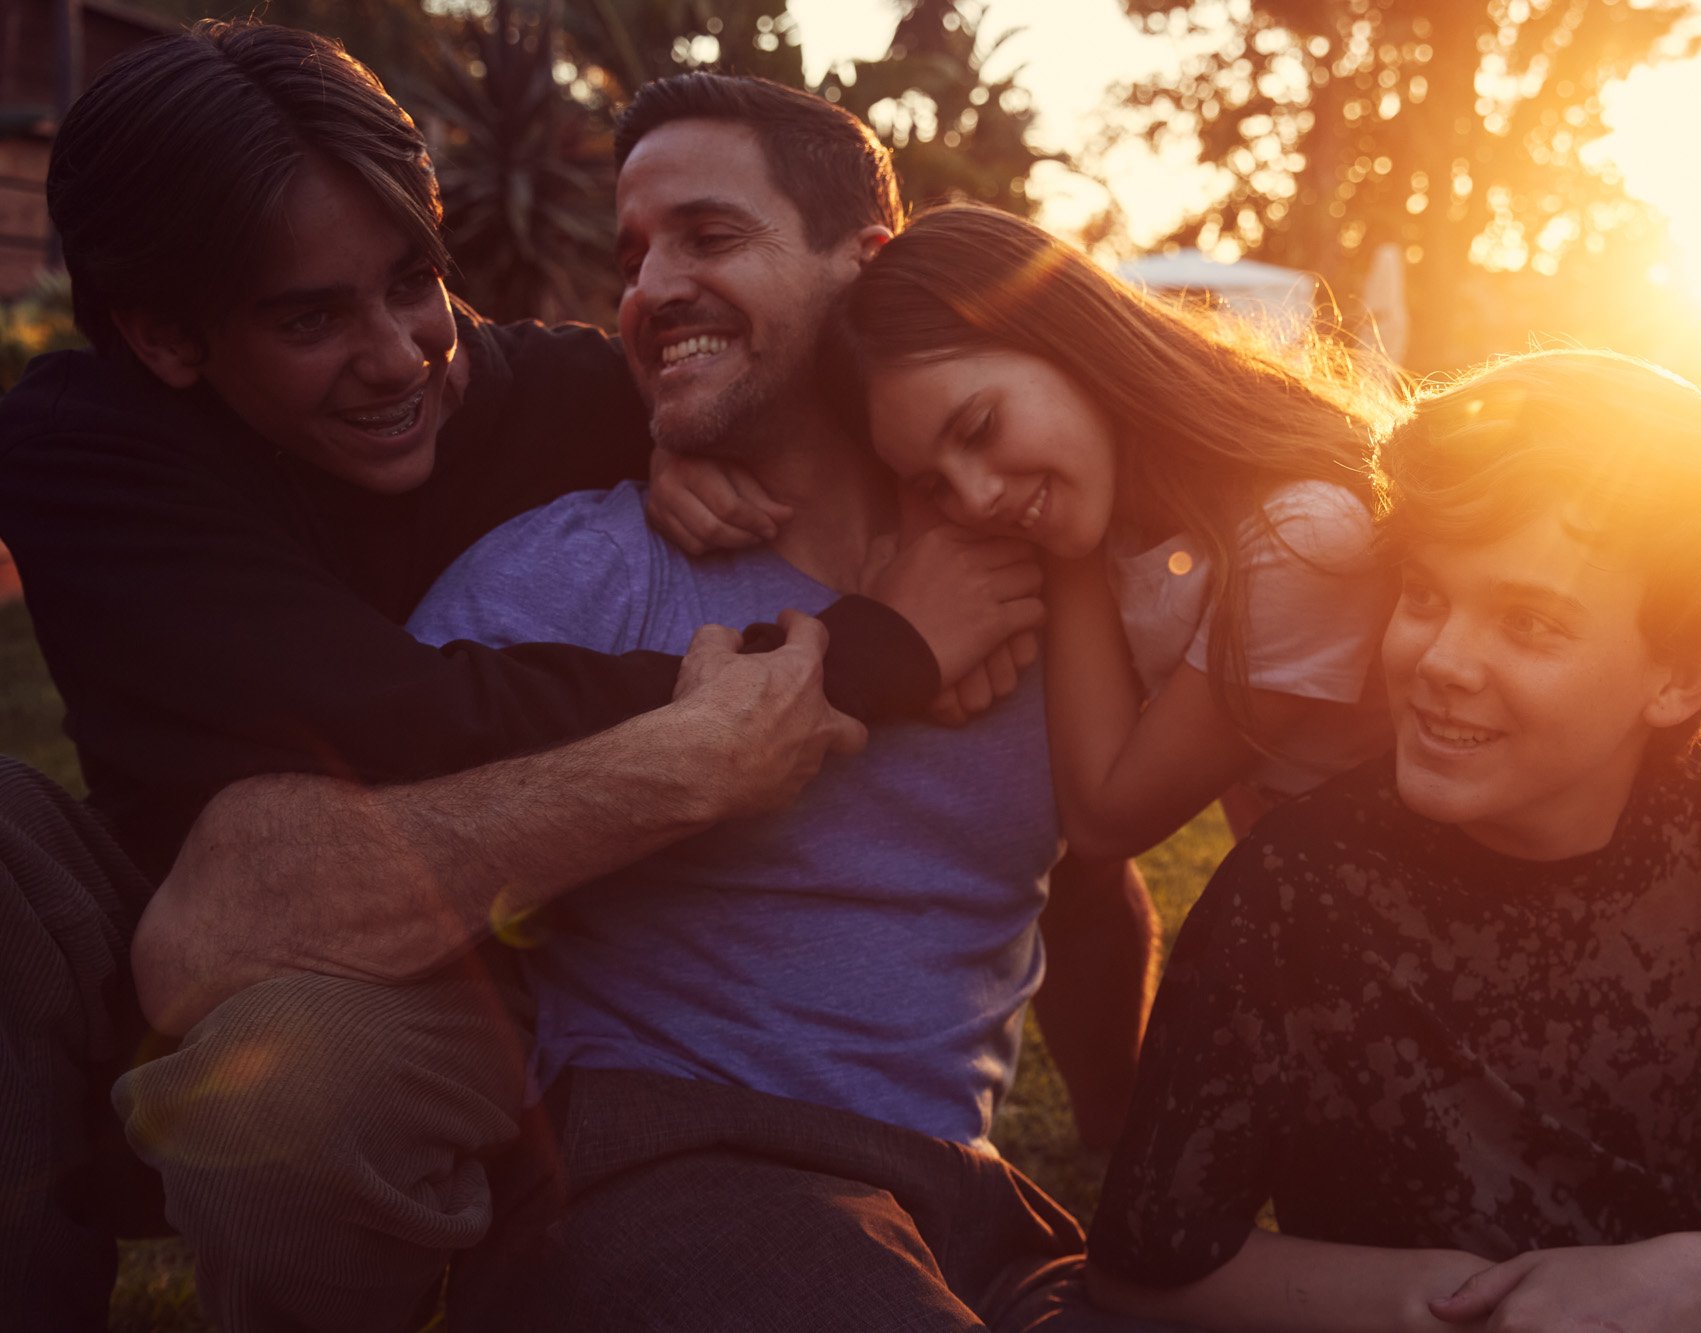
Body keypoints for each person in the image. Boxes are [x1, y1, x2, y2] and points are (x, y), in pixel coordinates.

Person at [0, 22, 1025, 1331]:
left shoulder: (533, 388)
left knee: (300, 1079)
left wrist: (675, 432)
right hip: (190, 891)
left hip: (477, 942)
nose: (400, 354)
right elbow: (394, 715)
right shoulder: (85, 451)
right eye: (311, 316)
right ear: (164, 338)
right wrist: (871, 653)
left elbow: (727, 377)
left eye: (412, 279)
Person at [401, 72, 1155, 1331]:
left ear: (864, 267)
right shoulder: (574, 571)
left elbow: (1090, 875)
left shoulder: (1038, 555)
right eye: (635, 256)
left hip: (960, 1199)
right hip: (670, 1163)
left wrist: (1132, 1160)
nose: (649, 290)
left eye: (709, 236)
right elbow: (368, 837)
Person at [1084, 350, 1701, 1332]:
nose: (1437, 660)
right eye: (1425, 594)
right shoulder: (1300, 888)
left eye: (1527, 621)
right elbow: (1136, 1264)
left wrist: (1690, 1286)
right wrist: (1437, 1301)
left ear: (1679, 674)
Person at [662, 202, 1400, 854]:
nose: (977, 499)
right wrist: (672, 452)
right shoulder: (1127, 512)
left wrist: (1061, 551)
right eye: (933, 485)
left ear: (1068, 339)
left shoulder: (1302, 532)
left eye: (981, 426)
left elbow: (1107, 815)